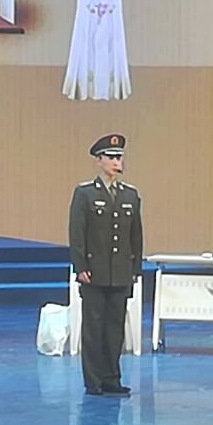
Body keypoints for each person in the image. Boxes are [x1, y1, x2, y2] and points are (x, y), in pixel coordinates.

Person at [69, 134, 144, 397]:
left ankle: (112, 377)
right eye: (111, 157)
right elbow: (77, 233)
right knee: (93, 328)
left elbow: (136, 235)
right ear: (98, 161)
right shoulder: (85, 193)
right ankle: (93, 380)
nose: (116, 162)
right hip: (94, 272)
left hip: (120, 272)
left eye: (119, 157)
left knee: (114, 328)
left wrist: (135, 269)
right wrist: (80, 266)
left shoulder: (130, 195)